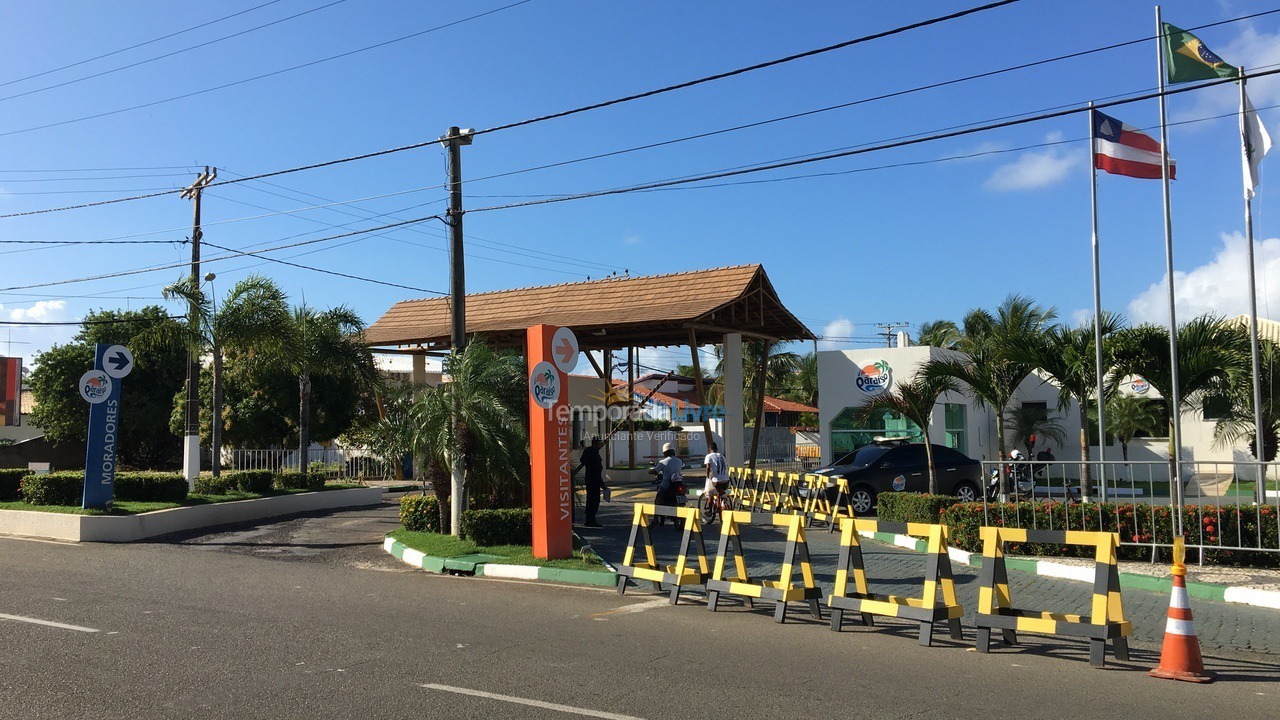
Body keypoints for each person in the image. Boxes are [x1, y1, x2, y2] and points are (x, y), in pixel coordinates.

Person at [649, 442, 684, 526]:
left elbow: (655, 471)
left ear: (665, 453)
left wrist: (650, 471)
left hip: (667, 485)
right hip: (679, 484)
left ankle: (656, 520)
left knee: (657, 501)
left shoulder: (663, 462)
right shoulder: (679, 461)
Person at [579, 436, 605, 528]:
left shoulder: (593, 451)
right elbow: (594, 469)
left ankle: (591, 519)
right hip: (593, 479)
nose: (600, 445)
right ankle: (590, 520)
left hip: (593, 479)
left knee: (593, 500)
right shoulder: (590, 451)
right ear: (595, 443)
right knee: (593, 501)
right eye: (599, 443)